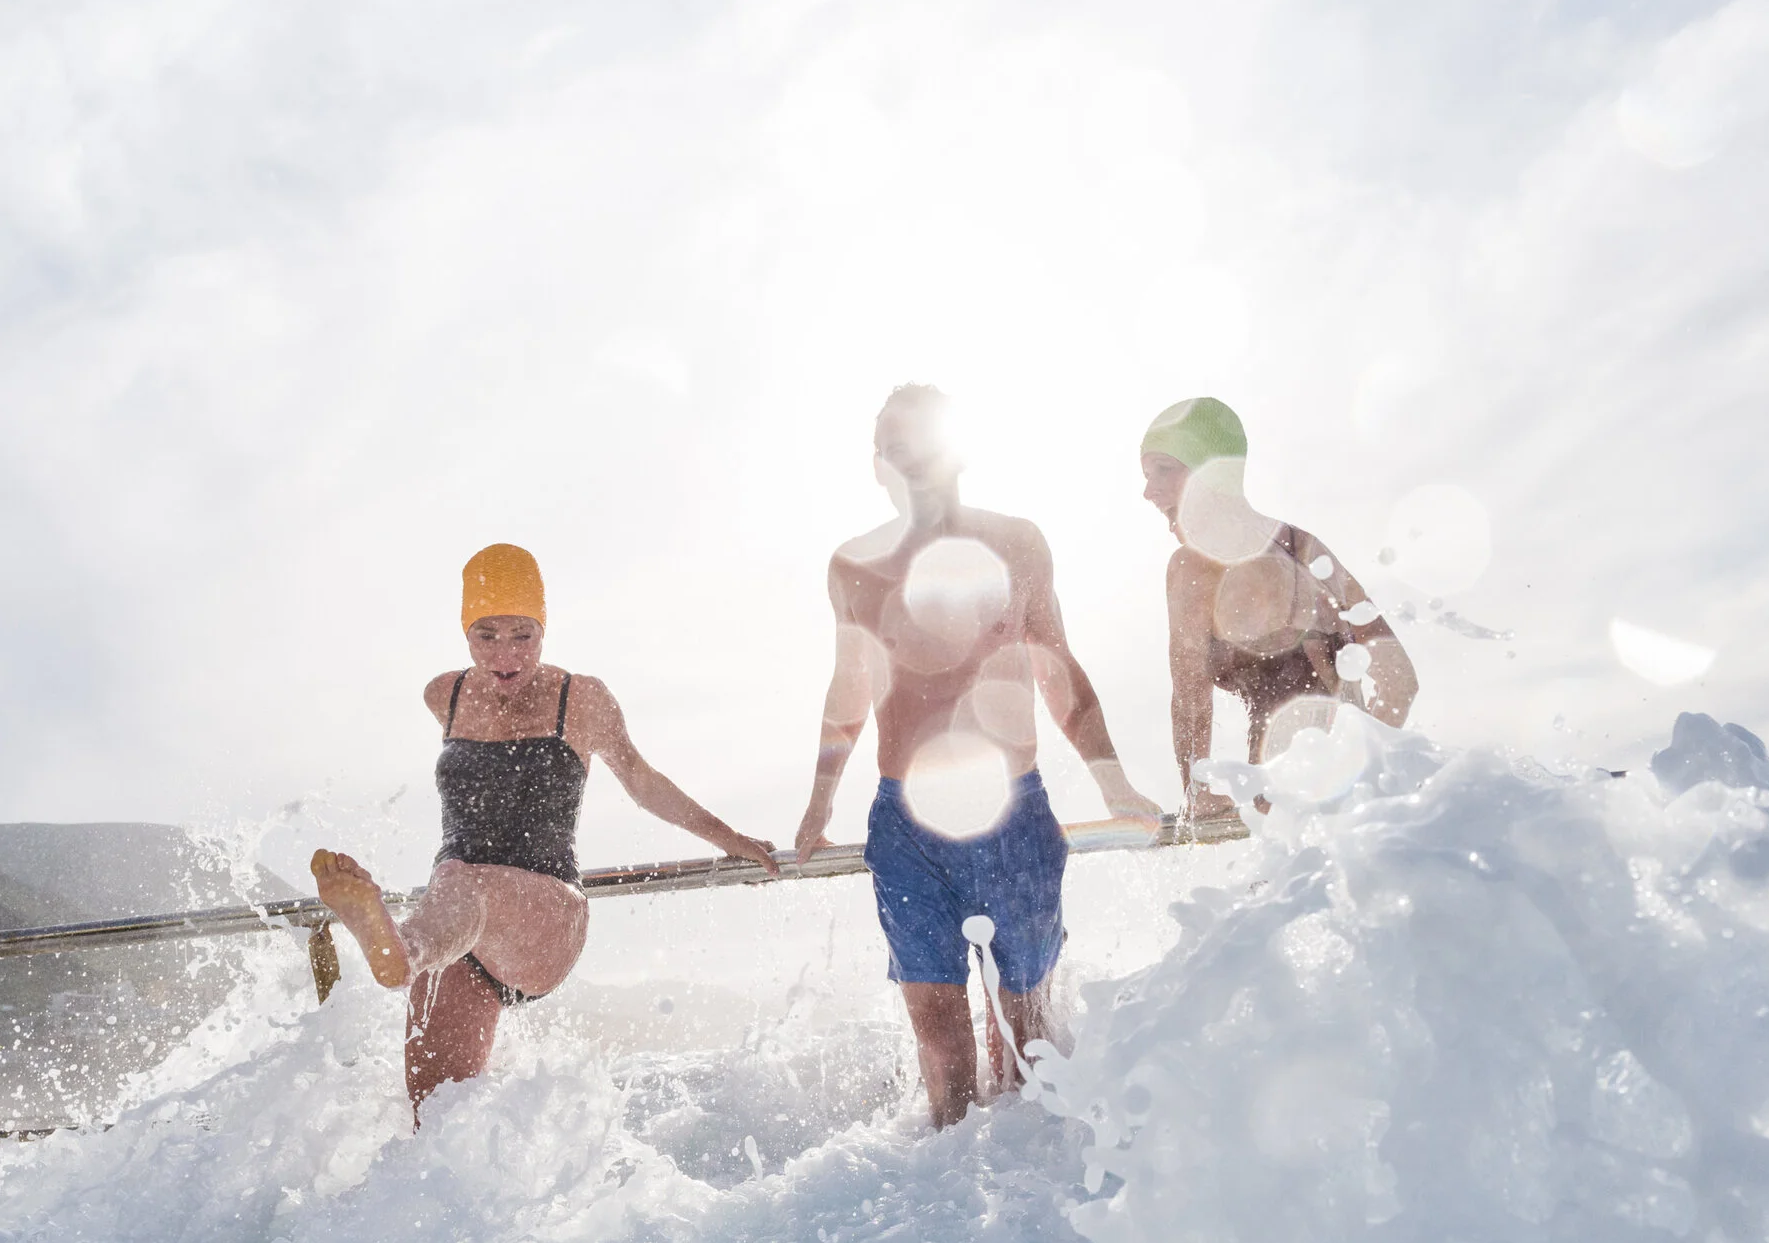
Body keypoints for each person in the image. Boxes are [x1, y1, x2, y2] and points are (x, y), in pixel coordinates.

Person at [794, 385, 1162, 1129]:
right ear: (878, 465)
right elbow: (850, 687)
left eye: (919, 443)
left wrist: (1115, 784)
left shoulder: (1017, 543)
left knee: (1025, 1039)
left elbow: (1059, 671)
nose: (906, 460)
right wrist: (818, 805)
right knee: (939, 1038)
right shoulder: (853, 566)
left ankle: (1032, 1185)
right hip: (906, 824)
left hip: (1011, 811)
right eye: (891, 448)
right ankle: (946, 1186)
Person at [311, 543, 780, 1123]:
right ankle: (410, 953)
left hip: (545, 912)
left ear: (544, 628)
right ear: (464, 632)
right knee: (434, 1124)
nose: (505, 654)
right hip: (459, 932)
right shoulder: (445, 695)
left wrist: (729, 838)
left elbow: (641, 780)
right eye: (486, 635)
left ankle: (402, 951)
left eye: (523, 635)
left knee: (461, 880)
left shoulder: (580, 698)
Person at [1142, 397, 1419, 819]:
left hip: (1286, 800)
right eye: (1147, 476)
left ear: (1211, 471)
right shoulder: (1302, 546)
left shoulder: (1193, 567)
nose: (1148, 492)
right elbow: (1399, 681)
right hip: (1359, 805)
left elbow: (1190, 696)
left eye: (1164, 469)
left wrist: (1197, 791)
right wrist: (1362, 767)